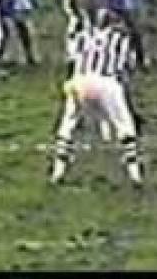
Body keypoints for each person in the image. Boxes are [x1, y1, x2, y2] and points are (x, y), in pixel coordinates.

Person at [49, 16, 145, 187]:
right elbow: (126, 66)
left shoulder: (83, 36)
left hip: (78, 81)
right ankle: (135, 174)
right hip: (105, 81)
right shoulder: (121, 40)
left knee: (68, 125)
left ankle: (58, 171)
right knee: (125, 126)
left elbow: (72, 59)